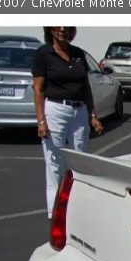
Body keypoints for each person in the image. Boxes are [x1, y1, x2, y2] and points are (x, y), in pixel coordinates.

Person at [32, 26, 103, 218]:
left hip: (79, 111)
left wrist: (92, 115)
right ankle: (55, 212)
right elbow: (38, 89)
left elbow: (85, 86)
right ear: (50, 29)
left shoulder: (78, 53)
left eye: (66, 26)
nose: (62, 29)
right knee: (54, 161)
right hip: (56, 109)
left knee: (80, 158)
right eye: (58, 25)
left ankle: (79, 207)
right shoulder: (43, 54)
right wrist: (41, 121)